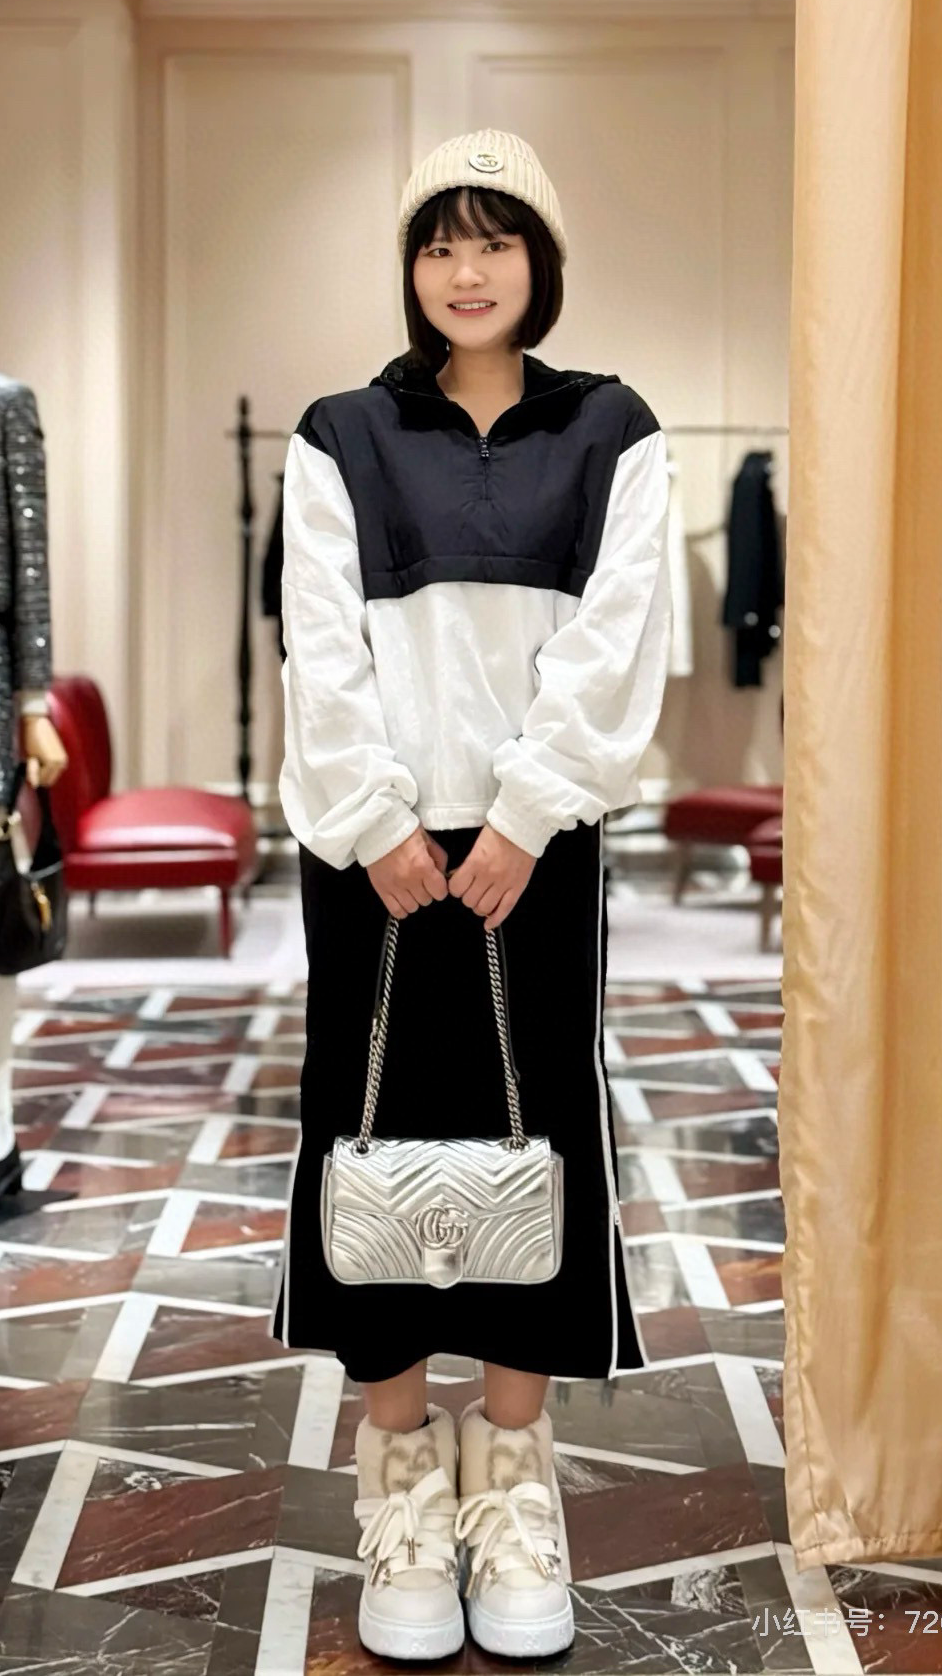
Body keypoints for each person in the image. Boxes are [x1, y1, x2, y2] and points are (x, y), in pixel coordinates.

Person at [269, 129, 673, 1660]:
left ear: (539, 261)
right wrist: (377, 822)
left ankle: (512, 1489)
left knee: (531, 1145)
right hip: (373, 860)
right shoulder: (340, 433)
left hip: (535, 857)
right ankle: (399, 1494)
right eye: (439, 242)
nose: (465, 269)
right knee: (370, 1145)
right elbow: (319, 646)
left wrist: (523, 813)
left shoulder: (615, 430)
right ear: (412, 268)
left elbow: (619, 641)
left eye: (494, 239)